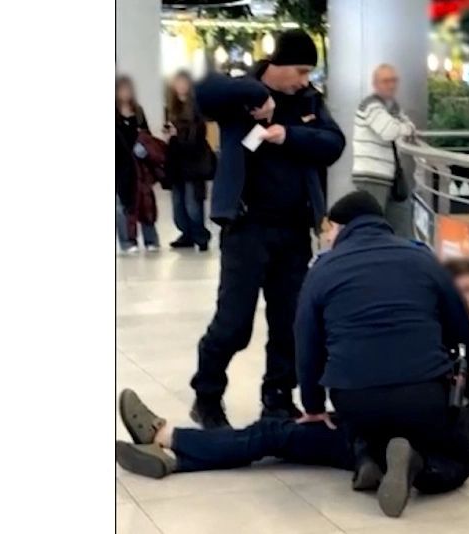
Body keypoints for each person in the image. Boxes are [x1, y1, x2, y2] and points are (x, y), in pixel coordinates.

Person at [189, 29, 346, 429]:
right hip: (246, 229)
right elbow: (203, 91)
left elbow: (333, 143)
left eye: (310, 72)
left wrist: (287, 135)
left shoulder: (310, 101)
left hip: (293, 231)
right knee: (233, 323)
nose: (305, 80)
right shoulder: (240, 95)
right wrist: (257, 94)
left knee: (290, 322)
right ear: (278, 64)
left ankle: (277, 398)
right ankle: (207, 396)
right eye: (300, 70)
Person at [295, 191, 469, 516]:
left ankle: (369, 457)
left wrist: (313, 406)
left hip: (353, 396)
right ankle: (419, 464)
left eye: (329, 230)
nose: (328, 237)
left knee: (366, 424)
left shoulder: (322, 270)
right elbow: (461, 322)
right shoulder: (422, 258)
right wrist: (468, 366)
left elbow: (306, 341)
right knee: (457, 458)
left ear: (342, 227)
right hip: (424, 390)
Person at [115, 375, 469, 501]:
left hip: (374, 430)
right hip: (421, 450)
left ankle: (166, 437)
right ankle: (174, 458)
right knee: (277, 440)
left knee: (274, 434)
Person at [352, 64, 416, 236]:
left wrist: (402, 127)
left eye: (394, 80)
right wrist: (403, 127)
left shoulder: (393, 106)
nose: (391, 85)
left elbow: (409, 125)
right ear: (375, 84)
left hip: (390, 177)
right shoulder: (370, 105)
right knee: (373, 229)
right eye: (386, 81)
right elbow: (389, 132)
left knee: (401, 227)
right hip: (371, 176)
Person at [163, 70, 215, 252]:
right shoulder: (171, 107)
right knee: (178, 203)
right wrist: (169, 135)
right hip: (176, 160)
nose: (180, 86)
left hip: (194, 160)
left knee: (193, 202)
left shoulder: (197, 107)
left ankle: (200, 235)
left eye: (184, 82)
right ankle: (187, 234)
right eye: (177, 82)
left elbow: (197, 135)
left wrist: (177, 133)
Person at [115, 75, 161, 254]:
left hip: (139, 164)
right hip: (119, 164)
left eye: (128, 89)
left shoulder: (138, 111)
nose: (125, 93)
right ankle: (127, 241)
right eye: (121, 89)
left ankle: (151, 239)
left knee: (145, 201)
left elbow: (146, 134)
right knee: (122, 205)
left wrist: (144, 146)